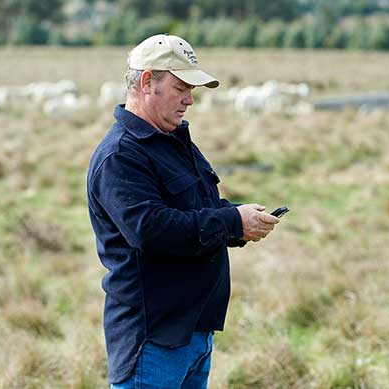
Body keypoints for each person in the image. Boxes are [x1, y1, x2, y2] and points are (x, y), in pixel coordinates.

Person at [86, 34, 280, 388]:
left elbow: (196, 210)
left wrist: (238, 222)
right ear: (147, 82)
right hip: (154, 341)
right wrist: (231, 221)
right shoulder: (121, 156)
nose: (190, 100)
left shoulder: (173, 141)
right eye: (180, 87)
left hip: (193, 333)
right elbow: (151, 229)